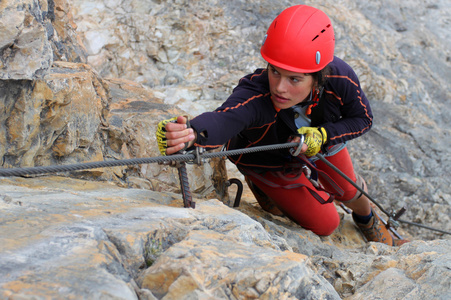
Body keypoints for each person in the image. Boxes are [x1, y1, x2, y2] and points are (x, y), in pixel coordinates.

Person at [156, 5, 407, 246]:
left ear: (318, 77)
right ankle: (260, 183)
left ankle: (368, 220)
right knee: (327, 223)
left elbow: (363, 119)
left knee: (347, 189)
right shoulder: (257, 93)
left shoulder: (339, 78)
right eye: (275, 72)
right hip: (269, 160)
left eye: (294, 79)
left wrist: (323, 135)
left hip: (320, 139)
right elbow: (225, 118)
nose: (280, 87)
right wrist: (191, 133)